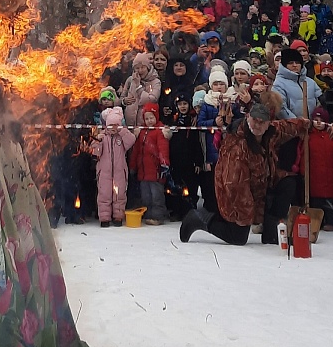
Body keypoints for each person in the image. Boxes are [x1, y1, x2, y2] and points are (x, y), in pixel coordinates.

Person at [179, 101, 308, 246]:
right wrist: (247, 217)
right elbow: (235, 186)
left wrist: (306, 124)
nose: (257, 125)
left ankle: (271, 233)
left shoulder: (270, 132)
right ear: (247, 118)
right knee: (238, 238)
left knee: (287, 184)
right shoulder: (236, 146)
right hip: (234, 193)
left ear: (268, 123)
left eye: (262, 122)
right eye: (255, 121)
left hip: (261, 184)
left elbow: (286, 127)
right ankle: (199, 219)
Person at [91, 102, 135, 226]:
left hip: (120, 171)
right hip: (104, 171)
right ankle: (104, 218)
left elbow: (131, 141)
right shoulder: (103, 136)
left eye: (116, 125)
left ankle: (118, 217)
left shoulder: (122, 137)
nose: (113, 128)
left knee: (119, 194)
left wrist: (122, 131)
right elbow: (95, 152)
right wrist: (97, 142)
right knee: (104, 194)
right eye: (111, 125)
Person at [128, 102, 170, 224]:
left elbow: (163, 150)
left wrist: (164, 164)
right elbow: (136, 151)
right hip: (143, 170)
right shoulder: (141, 131)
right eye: (147, 118)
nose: (149, 121)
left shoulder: (159, 131)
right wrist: (133, 166)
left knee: (156, 196)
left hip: (155, 170)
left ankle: (158, 217)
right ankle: (148, 214)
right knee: (146, 195)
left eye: (151, 118)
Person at [271, 48, 321, 120]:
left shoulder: (311, 82)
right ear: (285, 65)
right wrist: (297, 123)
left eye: (297, 62)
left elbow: (320, 102)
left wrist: (316, 119)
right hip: (292, 127)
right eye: (291, 63)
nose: (295, 65)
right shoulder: (278, 84)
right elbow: (281, 109)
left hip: (313, 126)